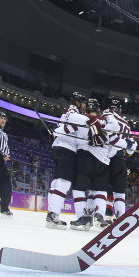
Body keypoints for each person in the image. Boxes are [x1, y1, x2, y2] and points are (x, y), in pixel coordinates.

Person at [46, 92, 87, 228]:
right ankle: (53, 215)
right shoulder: (73, 111)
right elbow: (75, 124)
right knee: (64, 182)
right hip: (66, 149)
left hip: (58, 147)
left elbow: (66, 128)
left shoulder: (67, 113)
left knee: (56, 182)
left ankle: (51, 213)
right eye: (83, 103)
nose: (85, 106)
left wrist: (59, 131)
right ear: (77, 102)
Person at [70, 98, 111, 230]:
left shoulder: (80, 117)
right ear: (98, 109)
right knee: (99, 189)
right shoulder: (106, 121)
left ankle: (84, 219)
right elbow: (112, 138)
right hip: (103, 159)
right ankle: (99, 215)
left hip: (86, 155)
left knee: (79, 188)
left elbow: (73, 132)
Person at [102, 98, 136, 221]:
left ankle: (105, 215)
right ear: (119, 110)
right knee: (119, 191)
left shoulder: (105, 115)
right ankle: (120, 216)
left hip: (104, 156)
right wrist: (127, 145)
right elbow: (132, 147)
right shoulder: (126, 124)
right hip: (119, 158)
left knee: (104, 189)